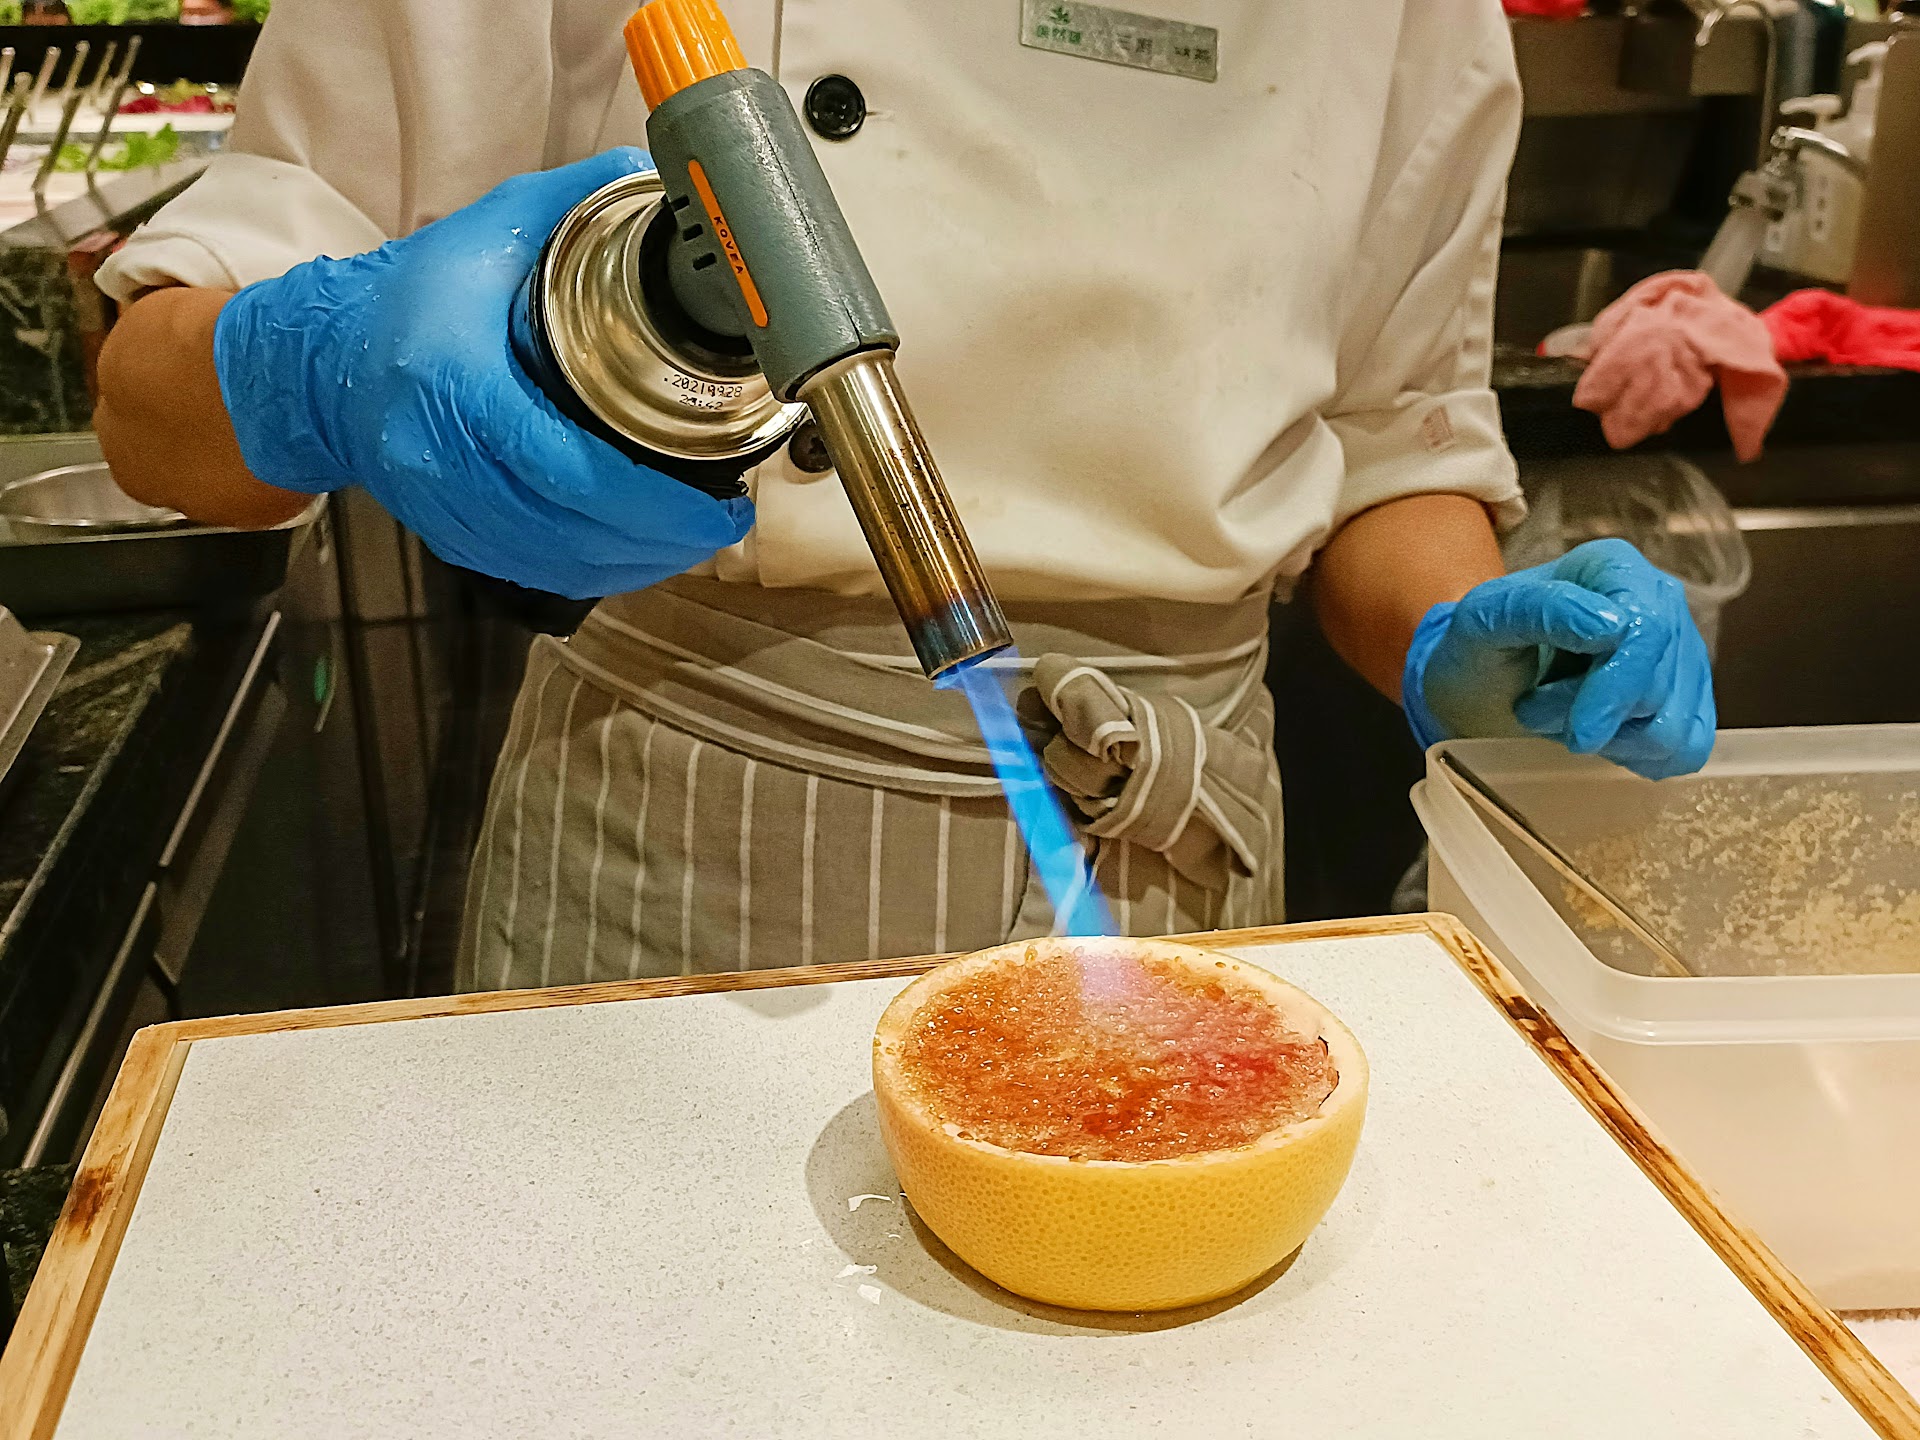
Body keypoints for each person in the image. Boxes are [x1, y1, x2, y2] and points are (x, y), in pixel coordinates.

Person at [92, 0, 1715, 990]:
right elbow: (145, 416)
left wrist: (1456, 631)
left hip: (1177, 857)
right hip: (692, 859)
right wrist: (307, 370)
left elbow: (1392, 447)